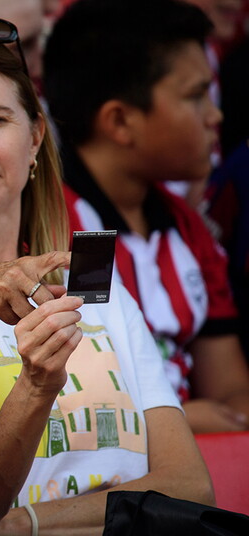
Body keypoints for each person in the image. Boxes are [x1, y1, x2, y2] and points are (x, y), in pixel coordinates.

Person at [0, 23, 214, 536]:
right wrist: (34, 387)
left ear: (34, 137)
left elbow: (190, 487)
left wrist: (24, 524)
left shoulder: (102, 289)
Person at [44, 0, 249, 434]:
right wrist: (181, 421)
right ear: (119, 121)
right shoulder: (56, 230)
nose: (216, 117)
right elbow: (70, 403)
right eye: (195, 97)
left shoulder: (188, 227)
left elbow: (231, 388)